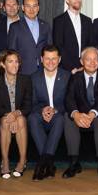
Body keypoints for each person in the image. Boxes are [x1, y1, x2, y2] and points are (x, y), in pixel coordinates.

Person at [63, 47, 98, 178]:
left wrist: (92, 114)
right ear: (81, 61)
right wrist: (76, 114)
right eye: (88, 59)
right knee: (68, 117)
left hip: (97, 113)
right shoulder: (75, 77)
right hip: (80, 114)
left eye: (95, 59)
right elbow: (69, 98)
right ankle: (74, 163)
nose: (92, 62)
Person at [28, 45, 70, 180]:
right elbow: (32, 102)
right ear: (41, 59)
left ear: (59, 59)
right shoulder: (33, 77)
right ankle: (49, 163)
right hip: (41, 115)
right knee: (32, 118)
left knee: (60, 119)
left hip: (58, 114)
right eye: (47, 59)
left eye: (54, 59)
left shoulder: (67, 76)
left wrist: (55, 110)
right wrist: (43, 109)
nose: (50, 62)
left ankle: (42, 164)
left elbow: (70, 102)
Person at [0, 50, 33, 179]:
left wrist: (16, 114)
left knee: (20, 120)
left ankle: (22, 161)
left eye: (17, 62)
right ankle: (5, 161)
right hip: (4, 116)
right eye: (10, 61)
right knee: (5, 121)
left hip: (20, 115)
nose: (15, 65)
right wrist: (10, 115)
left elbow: (28, 105)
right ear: (3, 64)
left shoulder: (26, 80)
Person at [8, 0, 52, 75]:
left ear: (38, 8)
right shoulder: (15, 27)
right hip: (23, 71)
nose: (31, 9)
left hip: (43, 70)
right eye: (28, 6)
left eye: (34, 6)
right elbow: (12, 51)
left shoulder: (45, 25)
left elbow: (50, 48)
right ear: (23, 8)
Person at [53, 0, 92, 72]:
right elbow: (58, 46)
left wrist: (84, 65)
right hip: (66, 69)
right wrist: (72, 67)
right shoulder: (59, 21)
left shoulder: (87, 20)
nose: (78, 0)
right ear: (67, 0)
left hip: (85, 67)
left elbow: (90, 45)